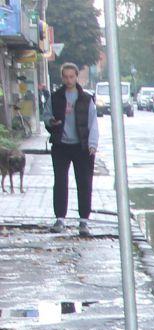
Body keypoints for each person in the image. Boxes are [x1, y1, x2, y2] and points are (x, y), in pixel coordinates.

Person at [45, 63, 97, 236]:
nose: (69, 80)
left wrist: (92, 144)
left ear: (76, 76)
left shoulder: (86, 99)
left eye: (71, 76)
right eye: (65, 77)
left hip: (81, 147)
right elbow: (46, 117)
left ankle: (84, 221)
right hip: (61, 145)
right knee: (60, 182)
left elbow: (92, 122)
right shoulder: (56, 97)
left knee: (84, 182)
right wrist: (52, 122)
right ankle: (60, 218)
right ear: (62, 78)